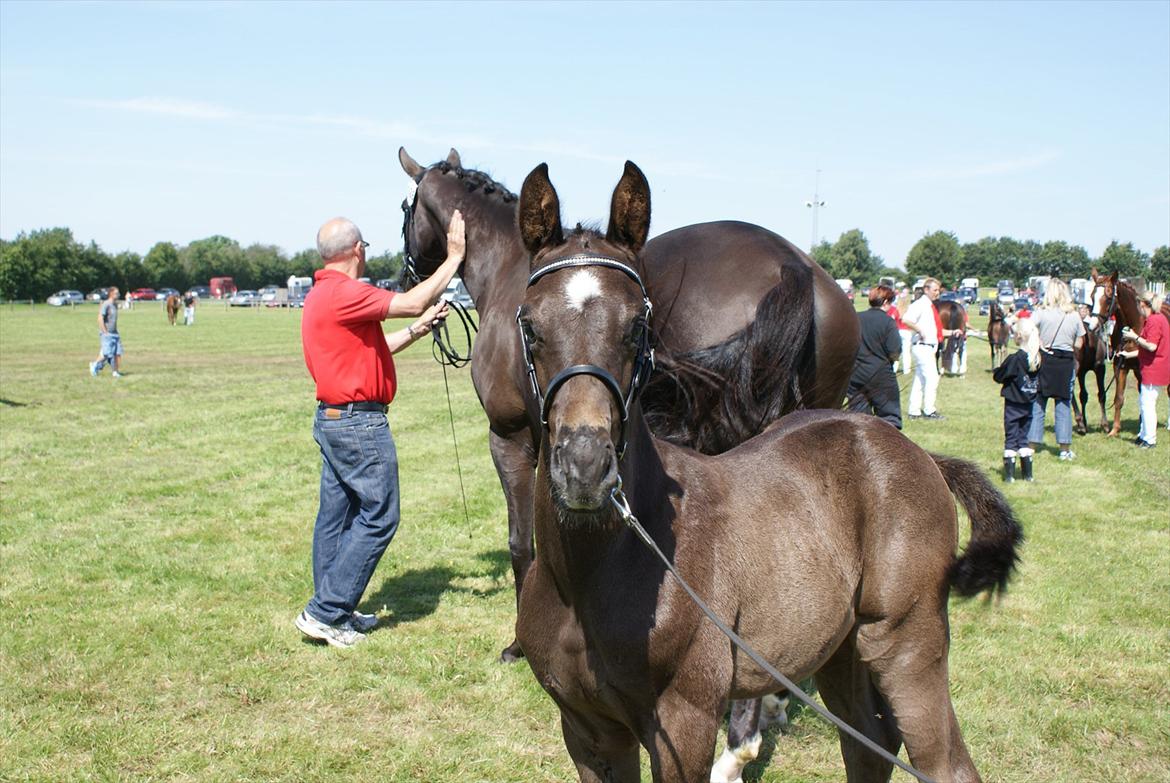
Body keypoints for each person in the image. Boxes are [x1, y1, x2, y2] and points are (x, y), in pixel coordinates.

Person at [295, 211, 466, 649]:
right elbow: (410, 299)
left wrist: (418, 329)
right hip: (358, 424)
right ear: (357, 250)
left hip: (334, 418)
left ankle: (333, 608)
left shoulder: (322, 296)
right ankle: (326, 611)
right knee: (380, 516)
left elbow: (371, 349)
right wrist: (454, 258)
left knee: (336, 517)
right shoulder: (346, 292)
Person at [1028, 279, 1085, 461]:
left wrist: (1039, 342)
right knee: (1063, 405)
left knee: (1038, 404)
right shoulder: (1075, 316)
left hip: (1046, 360)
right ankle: (1064, 449)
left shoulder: (1041, 313)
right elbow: (1080, 342)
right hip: (1065, 362)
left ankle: (1031, 445)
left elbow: (1026, 329)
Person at [846, 285, 903, 429]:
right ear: (885, 302)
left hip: (855, 373)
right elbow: (894, 351)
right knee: (889, 417)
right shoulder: (888, 321)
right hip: (880, 373)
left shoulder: (856, 318)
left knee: (858, 420)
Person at [1118, 292, 1168, 448]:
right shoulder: (1157, 319)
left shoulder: (1154, 321)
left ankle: (1150, 439)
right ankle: (1143, 434)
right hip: (1154, 367)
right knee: (1144, 403)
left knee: (1148, 405)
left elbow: (1152, 346)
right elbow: (1148, 348)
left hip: (1154, 369)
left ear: (1143, 304)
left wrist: (1134, 337)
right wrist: (1128, 354)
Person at [993, 318, 1041, 482]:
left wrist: (998, 369)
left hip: (1013, 406)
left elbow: (999, 376)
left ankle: (1010, 476)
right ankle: (1028, 475)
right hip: (1028, 406)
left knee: (1011, 437)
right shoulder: (1036, 358)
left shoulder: (1014, 359)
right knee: (1023, 438)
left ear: (1019, 336)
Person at [902, 277, 956, 420]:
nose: (937, 293)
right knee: (932, 378)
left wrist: (952, 332)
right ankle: (929, 410)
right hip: (922, 347)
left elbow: (935, 331)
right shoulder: (920, 305)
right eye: (935, 290)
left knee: (920, 379)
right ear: (926, 290)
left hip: (929, 347)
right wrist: (920, 330)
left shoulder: (930, 306)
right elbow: (906, 319)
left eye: (938, 290)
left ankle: (914, 411)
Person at [89, 287, 125, 378]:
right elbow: (100, 318)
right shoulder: (106, 304)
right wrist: (104, 331)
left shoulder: (115, 305)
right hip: (107, 333)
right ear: (111, 294)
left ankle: (115, 372)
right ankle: (94, 365)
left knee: (117, 353)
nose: (118, 295)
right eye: (117, 293)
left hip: (115, 333)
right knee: (106, 354)